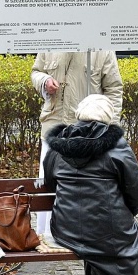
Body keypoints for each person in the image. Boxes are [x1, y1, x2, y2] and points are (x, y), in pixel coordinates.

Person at [43, 94, 138, 275]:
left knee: (113, 235)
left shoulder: (58, 145)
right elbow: (136, 193)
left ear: (80, 115)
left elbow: (50, 184)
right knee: (130, 241)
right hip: (109, 232)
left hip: (66, 229)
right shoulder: (117, 146)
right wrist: (128, 215)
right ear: (108, 118)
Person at [31, 51, 123, 245]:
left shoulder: (102, 47)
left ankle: (85, 236)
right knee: (48, 184)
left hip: (88, 133)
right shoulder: (51, 39)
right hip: (53, 127)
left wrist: (107, 129)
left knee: (86, 189)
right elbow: (36, 71)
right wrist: (44, 81)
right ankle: (46, 236)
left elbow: (114, 89)